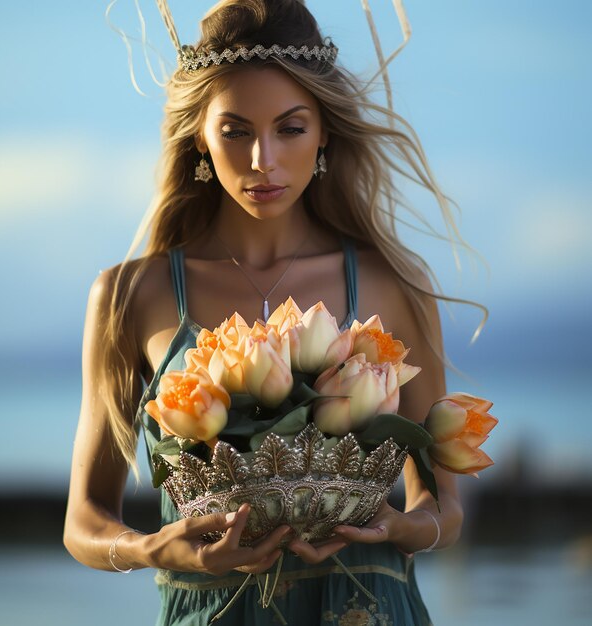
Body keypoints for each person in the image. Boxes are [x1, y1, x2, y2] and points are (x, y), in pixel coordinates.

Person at [64, 1, 475, 624]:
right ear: (199, 135)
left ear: (324, 132)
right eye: (235, 131)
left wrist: (400, 527)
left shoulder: (394, 285)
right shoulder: (131, 295)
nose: (263, 160)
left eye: (290, 128)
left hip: (367, 609)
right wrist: (153, 549)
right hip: (209, 610)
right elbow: (83, 522)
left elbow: (443, 506)